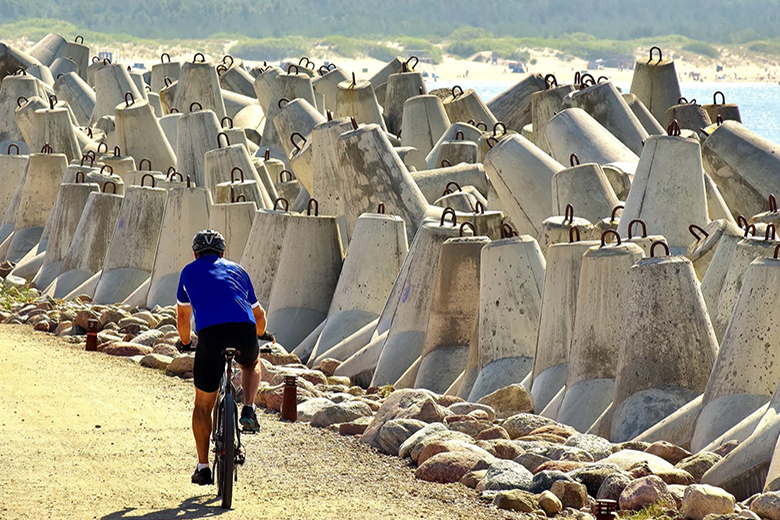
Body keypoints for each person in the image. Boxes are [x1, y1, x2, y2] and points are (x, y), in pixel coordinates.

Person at [176, 229, 271, 485]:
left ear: (196, 254)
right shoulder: (239, 271)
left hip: (210, 336)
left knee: (202, 404)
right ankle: (248, 409)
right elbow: (259, 316)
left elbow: (183, 317)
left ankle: (203, 466)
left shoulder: (188, 272)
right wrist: (261, 335)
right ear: (223, 253)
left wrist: (185, 342)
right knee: (251, 364)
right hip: (244, 331)